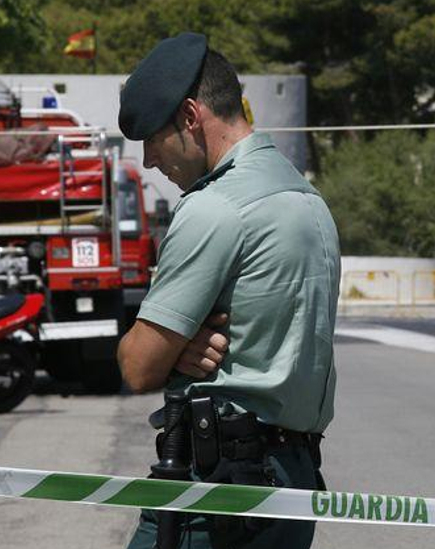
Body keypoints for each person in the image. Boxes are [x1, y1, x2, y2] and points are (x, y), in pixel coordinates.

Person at [116, 32, 341, 549]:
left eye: (152, 137)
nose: (150, 160)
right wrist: (182, 348)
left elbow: (137, 366)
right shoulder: (305, 198)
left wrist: (171, 352)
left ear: (191, 117)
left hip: (217, 498)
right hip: (291, 481)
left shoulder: (215, 208)